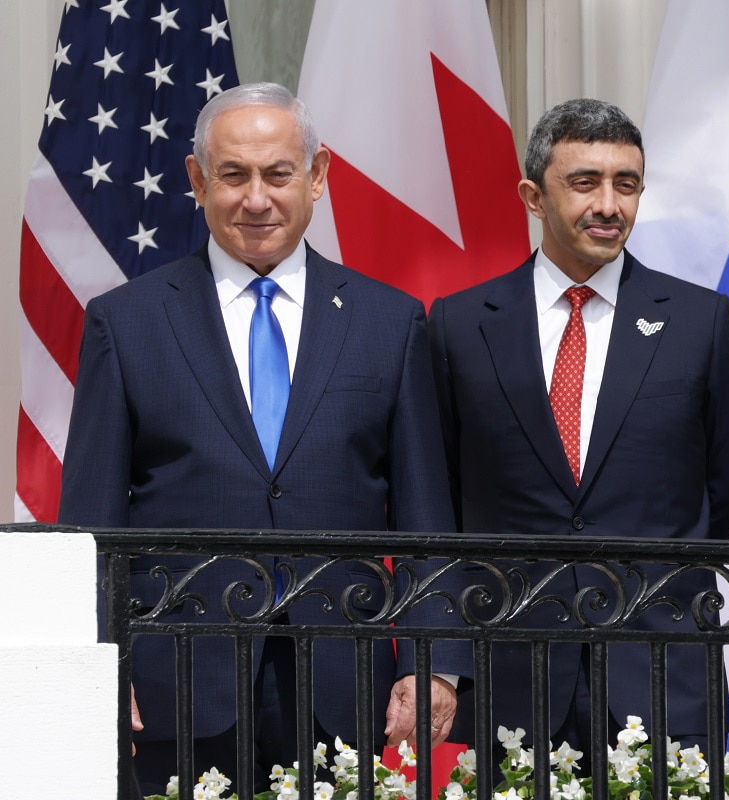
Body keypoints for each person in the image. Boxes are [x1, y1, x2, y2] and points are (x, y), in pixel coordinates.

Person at [58, 82, 469, 794]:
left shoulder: (388, 321)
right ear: (196, 181)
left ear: (316, 177)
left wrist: (431, 660)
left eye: (279, 174)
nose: (257, 199)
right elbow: (93, 523)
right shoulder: (126, 323)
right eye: (233, 175)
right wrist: (100, 665)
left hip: (343, 678)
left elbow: (426, 512)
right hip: (177, 681)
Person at [430, 98, 729, 760]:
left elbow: (722, 490)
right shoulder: (460, 325)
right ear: (533, 195)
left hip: (661, 666)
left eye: (626, 183)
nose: (609, 205)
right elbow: (440, 497)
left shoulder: (702, 324)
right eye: (585, 182)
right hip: (514, 669)